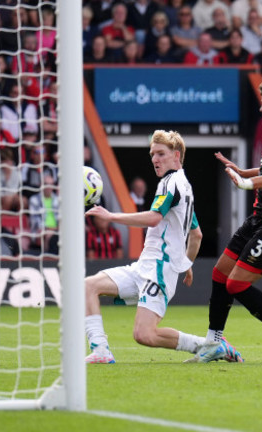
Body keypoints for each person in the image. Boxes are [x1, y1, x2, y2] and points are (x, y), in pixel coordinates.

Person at [83, 130, 240, 364]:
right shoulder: (184, 187)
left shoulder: (171, 183)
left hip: (158, 271)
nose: (155, 159)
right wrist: (185, 263)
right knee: (88, 286)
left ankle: (210, 345)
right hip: (145, 267)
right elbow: (196, 235)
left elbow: (155, 218)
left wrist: (110, 216)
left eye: (160, 153)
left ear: (176, 155)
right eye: (152, 154)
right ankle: (101, 351)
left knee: (144, 335)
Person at [188, 74, 262, 364]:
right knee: (220, 274)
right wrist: (245, 172)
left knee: (235, 285)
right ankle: (214, 341)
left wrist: (247, 185)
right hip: (259, 219)